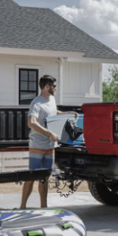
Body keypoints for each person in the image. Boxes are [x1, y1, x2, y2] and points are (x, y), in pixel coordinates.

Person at [20, 75, 77, 208]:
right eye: (54, 86)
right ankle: (22, 206)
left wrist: (66, 113)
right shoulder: (36, 103)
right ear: (47, 87)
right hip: (37, 145)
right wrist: (49, 133)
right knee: (31, 177)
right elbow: (31, 123)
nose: (56, 88)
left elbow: (52, 112)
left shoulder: (51, 99)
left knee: (45, 178)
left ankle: (44, 207)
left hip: (50, 146)